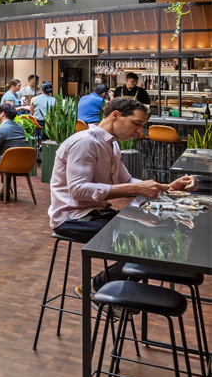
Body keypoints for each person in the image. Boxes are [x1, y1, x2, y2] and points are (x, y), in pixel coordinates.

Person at [50, 97, 194, 288]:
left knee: (164, 230)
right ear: (115, 115)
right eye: (136, 124)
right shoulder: (85, 142)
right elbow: (78, 190)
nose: (139, 131)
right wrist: (136, 188)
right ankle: (100, 288)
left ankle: (112, 292)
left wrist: (167, 187)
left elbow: (126, 181)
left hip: (97, 213)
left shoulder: (112, 144)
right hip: (73, 218)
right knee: (156, 240)